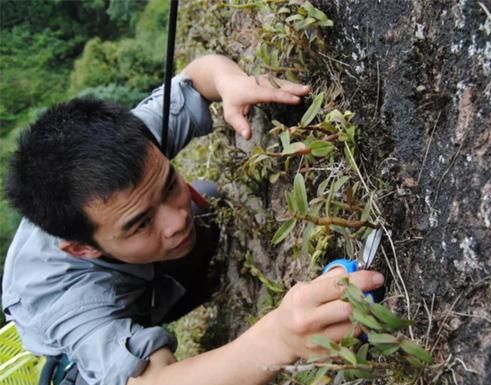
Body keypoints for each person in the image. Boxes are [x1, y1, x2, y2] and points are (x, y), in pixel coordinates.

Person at [1, 54, 384, 385]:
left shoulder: (129, 148)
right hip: (83, 336)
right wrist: (281, 337)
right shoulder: (66, 299)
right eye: (140, 223)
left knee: (209, 204)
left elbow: (198, 77)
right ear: (82, 248)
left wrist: (232, 82)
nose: (176, 221)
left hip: (132, 264)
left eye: (168, 185)